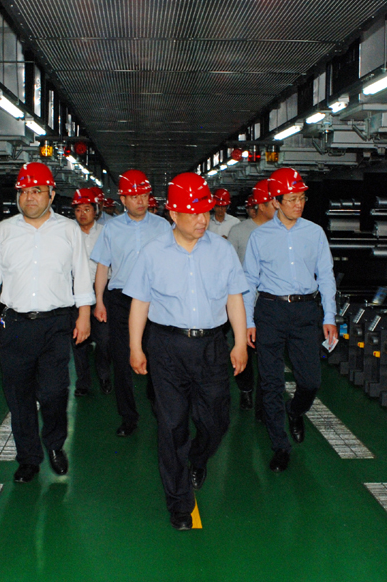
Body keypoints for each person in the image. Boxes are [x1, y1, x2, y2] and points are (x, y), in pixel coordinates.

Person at [124, 172, 248, 530]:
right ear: (173, 214)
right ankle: (178, 502)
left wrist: (240, 343)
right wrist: (135, 347)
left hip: (211, 346)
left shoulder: (222, 250)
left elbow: (235, 299)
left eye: (205, 212)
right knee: (172, 424)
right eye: (193, 213)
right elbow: (140, 303)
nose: (201, 220)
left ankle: (198, 456)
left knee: (216, 421)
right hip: (167, 347)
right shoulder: (153, 253)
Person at [0, 162, 94, 483]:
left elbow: (81, 274)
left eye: (37, 191)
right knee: (19, 395)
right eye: (24, 191)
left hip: (56, 324)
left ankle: (54, 444)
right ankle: (28, 458)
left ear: (51, 195)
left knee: (54, 392)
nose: (29, 197)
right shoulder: (5, 230)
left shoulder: (68, 230)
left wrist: (84, 314)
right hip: (16, 325)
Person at [243, 168, 337, 473]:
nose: (299, 204)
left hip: (306, 312)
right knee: (270, 383)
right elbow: (249, 280)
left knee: (311, 381)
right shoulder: (260, 237)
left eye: (302, 198)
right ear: (276, 201)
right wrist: (248, 321)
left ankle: (295, 410)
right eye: (293, 198)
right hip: (270, 311)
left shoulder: (315, 232)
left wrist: (330, 316)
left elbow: (326, 276)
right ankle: (280, 446)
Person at [91, 169, 171, 437]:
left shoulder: (163, 227)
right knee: (122, 358)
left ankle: (159, 406)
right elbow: (103, 267)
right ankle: (128, 416)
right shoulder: (111, 228)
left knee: (156, 355)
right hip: (121, 300)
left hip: (154, 300)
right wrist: (99, 301)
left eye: (144, 195)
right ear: (123, 199)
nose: (140, 200)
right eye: (134, 196)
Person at [226, 179, 277, 413]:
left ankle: (263, 403)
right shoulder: (239, 231)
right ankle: (245, 389)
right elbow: (230, 265)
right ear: (261, 205)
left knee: (267, 354)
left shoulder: (281, 232)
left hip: (270, 302)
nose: (277, 206)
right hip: (244, 301)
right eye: (272, 202)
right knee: (243, 346)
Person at [71, 187, 111, 396]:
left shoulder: (106, 232)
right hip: (76, 294)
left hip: (101, 292)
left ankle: (104, 377)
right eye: (78, 210)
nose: (82, 214)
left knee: (104, 340)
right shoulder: (69, 233)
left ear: (96, 210)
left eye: (87, 209)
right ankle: (83, 382)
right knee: (79, 340)